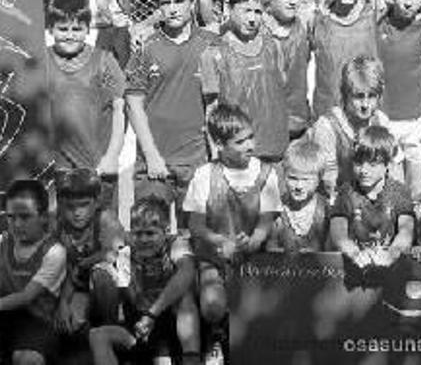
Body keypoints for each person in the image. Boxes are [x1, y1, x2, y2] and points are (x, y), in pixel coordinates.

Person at [183, 103, 282, 361]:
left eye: (251, 137)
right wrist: (221, 241)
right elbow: (195, 225)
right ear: (219, 144)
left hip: (255, 258)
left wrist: (253, 240)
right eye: (240, 142)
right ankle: (215, 336)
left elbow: (267, 219)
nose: (250, 145)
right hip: (214, 258)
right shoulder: (205, 175)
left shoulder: (266, 173)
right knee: (212, 305)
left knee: (265, 306)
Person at [126, 0, 215, 229]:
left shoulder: (211, 44)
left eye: (179, 1)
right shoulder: (145, 47)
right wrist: (151, 155)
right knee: (149, 238)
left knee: (196, 239)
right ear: (158, 7)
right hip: (153, 162)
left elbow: (216, 104)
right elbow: (133, 104)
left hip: (197, 161)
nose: (173, 9)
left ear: (192, 1)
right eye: (165, 2)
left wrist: (215, 154)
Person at [87, 194, 201, 365]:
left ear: (166, 231)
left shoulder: (176, 244)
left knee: (185, 297)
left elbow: (187, 271)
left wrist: (152, 314)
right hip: (141, 326)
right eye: (138, 233)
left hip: (171, 323)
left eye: (150, 233)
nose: (143, 239)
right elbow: (124, 290)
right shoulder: (126, 252)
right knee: (97, 335)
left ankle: (191, 359)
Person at [46, 0, 126, 212]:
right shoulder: (41, 62)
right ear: (51, 29)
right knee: (59, 229)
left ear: (87, 29)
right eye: (63, 29)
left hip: (97, 168)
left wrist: (112, 157)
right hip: (57, 170)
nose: (70, 35)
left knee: (103, 227)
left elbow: (119, 111)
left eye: (77, 29)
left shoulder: (104, 61)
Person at [200, 0, 290, 162]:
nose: (252, 19)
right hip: (238, 155)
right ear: (229, 8)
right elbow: (211, 110)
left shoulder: (274, 46)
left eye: (257, 12)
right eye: (246, 11)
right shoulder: (214, 54)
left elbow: (281, 92)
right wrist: (216, 155)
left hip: (276, 149)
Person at [378, 0, 421, 196]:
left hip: (417, 118)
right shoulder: (379, 23)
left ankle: (417, 219)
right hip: (385, 116)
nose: (408, 2)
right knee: (391, 187)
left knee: (417, 186)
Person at [328, 126, 415, 269]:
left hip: (390, 267)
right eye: (358, 163)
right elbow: (338, 233)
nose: (364, 170)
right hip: (355, 266)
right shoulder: (346, 192)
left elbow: (406, 231)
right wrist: (354, 253)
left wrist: (392, 253)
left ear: (387, 164)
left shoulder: (399, 192)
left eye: (372, 164)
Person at [0, 180, 67, 365]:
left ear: (44, 216)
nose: (17, 224)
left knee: (27, 360)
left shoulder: (54, 252)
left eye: (25, 217)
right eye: (11, 217)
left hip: (37, 322)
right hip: (4, 315)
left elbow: (26, 296)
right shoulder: (3, 242)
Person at [54, 169, 126, 335]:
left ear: (97, 201)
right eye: (70, 207)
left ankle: (110, 329)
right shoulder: (59, 227)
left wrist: (84, 264)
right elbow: (65, 271)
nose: (77, 213)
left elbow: (115, 254)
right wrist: (63, 303)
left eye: (84, 205)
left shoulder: (105, 219)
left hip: (116, 285)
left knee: (102, 274)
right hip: (78, 286)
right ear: (61, 204)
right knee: (69, 325)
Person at [311, 0, 381, 118]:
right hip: (327, 114)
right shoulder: (315, 18)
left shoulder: (375, 11)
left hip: (365, 112)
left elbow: (410, 3)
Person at [309, 55, 391, 199]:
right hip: (336, 200)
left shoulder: (381, 121)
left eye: (372, 96)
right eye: (359, 96)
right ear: (345, 94)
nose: (365, 105)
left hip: (372, 198)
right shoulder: (327, 126)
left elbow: (390, 169)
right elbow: (328, 181)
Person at [262, 0, 313, 141]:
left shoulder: (303, 28)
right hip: (265, 125)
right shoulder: (257, 32)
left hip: (298, 123)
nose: (292, 1)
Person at [267, 140, 330, 253]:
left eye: (306, 180)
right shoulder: (277, 209)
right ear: (284, 175)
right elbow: (270, 249)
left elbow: (333, 250)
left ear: (319, 179)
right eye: (293, 178)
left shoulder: (327, 209)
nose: (299, 186)